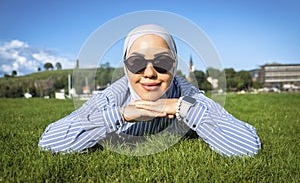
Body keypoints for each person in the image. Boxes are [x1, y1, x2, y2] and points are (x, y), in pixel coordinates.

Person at [38, 24, 261, 156]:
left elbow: (247, 146)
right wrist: (121, 114)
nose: (149, 73)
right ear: (126, 67)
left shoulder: (188, 94)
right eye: (136, 63)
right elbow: (49, 143)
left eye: (162, 62)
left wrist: (180, 107)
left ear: (174, 65)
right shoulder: (112, 98)